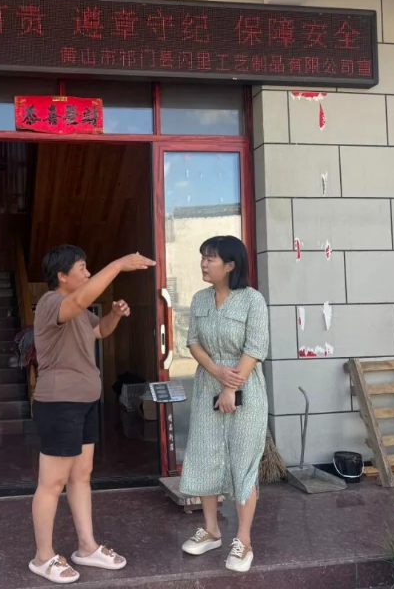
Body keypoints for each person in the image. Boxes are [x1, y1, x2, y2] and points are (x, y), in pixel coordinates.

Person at [28, 245, 155, 584]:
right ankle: (42, 557)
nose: (87, 273)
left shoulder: (81, 312)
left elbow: (99, 331)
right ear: (62, 275)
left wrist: (114, 314)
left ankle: (86, 547)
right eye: (82, 268)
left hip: (83, 403)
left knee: (81, 476)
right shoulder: (51, 303)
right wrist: (117, 263)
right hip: (59, 404)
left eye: (89, 268)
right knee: (52, 482)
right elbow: (80, 300)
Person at [178, 235, 269, 574]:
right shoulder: (199, 299)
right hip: (208, 384)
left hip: (245, 388)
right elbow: (193, 342)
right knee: (205, 454)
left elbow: (255, 348)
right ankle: (211, 530)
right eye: (202, 257)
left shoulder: (252, 300)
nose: (203, 263)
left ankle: (243, 540)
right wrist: (216, 371)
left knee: (243, 462)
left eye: (210, 258)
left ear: (230, 265)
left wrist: (230, 386)